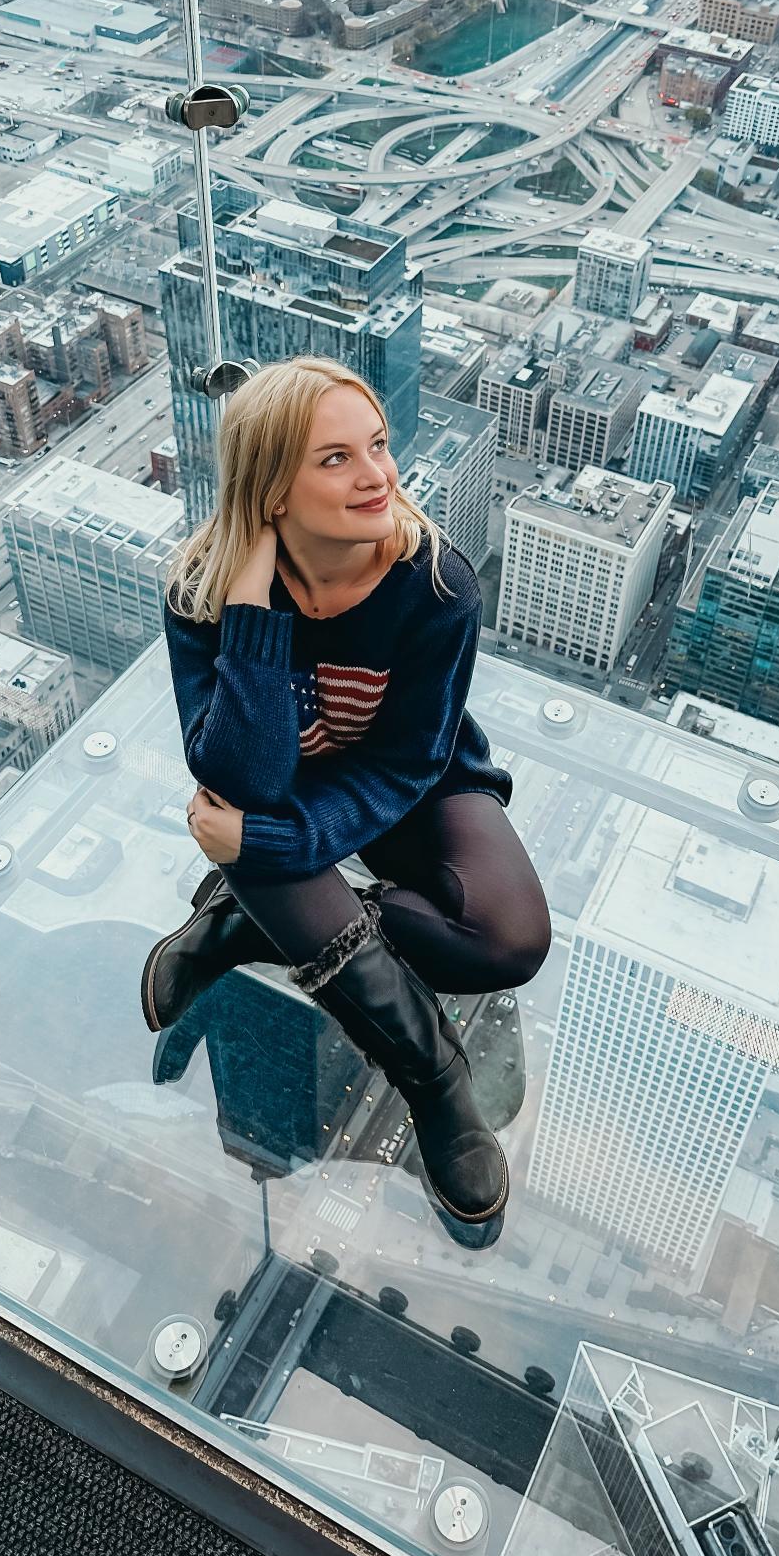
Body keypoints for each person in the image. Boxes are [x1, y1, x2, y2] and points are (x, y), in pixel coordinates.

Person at [142, 354, 550, 1226]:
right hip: (276, 788)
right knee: (242, 818)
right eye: (335, 459)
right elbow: (235, 776)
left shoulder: (435, 585)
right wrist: (253, 609)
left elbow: (405, 763)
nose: (378, 476)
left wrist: (278, 854)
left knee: (509, 942)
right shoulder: (200, 593)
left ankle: (247, 918)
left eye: (377, 445)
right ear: (271, 492)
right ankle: (435, 1079)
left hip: (415, 778)